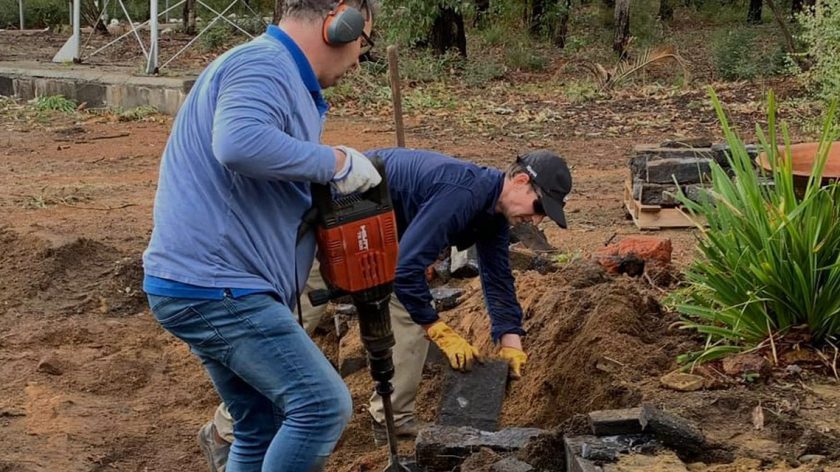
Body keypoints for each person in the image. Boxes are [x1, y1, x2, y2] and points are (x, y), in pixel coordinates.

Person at [200, 148, 574, 472]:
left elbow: (498, 278)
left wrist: (511, 339)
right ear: (521, 180)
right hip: (332, 225)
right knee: (290, 325)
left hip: (383, 239)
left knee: (407, 315)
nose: (538, 220)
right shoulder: (464, 191)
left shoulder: (493, 214)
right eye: (540, 207)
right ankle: (228, 428)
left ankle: (395, 426)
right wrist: (439, 330)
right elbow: (409, 269)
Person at [142, 1, 382, 471]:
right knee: (322, 405)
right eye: (363, 43)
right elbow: (239, 143)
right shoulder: (264, 64)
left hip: (207, 282)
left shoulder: (280, 75)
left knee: (259, 420)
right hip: (218, 285)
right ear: (340, 24)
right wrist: (338, 163)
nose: (359, 58)